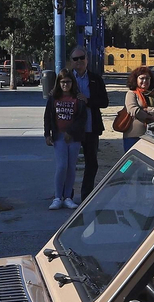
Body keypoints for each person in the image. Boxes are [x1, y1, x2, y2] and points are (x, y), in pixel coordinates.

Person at [67, 46, 110, 200]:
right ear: (71, 62)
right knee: (69, 164)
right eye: (75, 59)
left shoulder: (95, 79)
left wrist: (88, 101)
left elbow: (104, 102)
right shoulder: (66, 79)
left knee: (91, 163)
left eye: (81, 58)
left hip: (91, 127)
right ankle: (67, 195)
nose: (79, 61)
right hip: (71, 129)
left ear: (87, 60)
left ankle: (86, 195)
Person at [43, 71, 86, 209]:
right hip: (58, 136)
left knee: (71, 167)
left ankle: (68, 196)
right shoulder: (53, 98)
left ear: (72, 83)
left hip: (74, 137)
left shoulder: (77, 99)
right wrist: (47, 134)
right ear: (58, 83)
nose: (65, 85)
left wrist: (71, 131)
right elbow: (48, 116)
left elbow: (81, 118)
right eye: (62, 82)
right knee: (62, 166)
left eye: (68, 82)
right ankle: (57, 196)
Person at [121, 66, 154, 152]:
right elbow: (133, 110)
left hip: (153, 136)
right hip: (134, 135)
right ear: (136, 79)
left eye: (147, 78)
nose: (145, 81)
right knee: (132, 163)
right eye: (142, 78)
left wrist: (146, 109)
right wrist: (151, 117)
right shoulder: (131, 94)